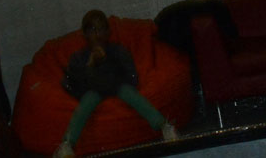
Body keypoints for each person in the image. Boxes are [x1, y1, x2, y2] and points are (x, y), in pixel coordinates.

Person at [52, 10, 177, 158]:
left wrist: (106, 66)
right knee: (87, 102)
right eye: (92, 30)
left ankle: (163, 126)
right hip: (93, 91)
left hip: (118, 87)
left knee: (131, 94)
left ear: (108, 32)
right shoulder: (79, 58)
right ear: (85, 34)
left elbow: (131, 78)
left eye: (101, 29)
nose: (97, 35)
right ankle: (67, 144)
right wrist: (90, 66)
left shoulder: (117, 51)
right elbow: (77, 87)